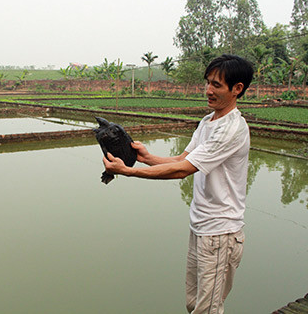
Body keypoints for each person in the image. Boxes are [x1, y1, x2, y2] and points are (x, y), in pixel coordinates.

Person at [103, 54, 254, 314]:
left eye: (216, 85)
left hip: (219, 232)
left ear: (237, 89)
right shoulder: (208, 122)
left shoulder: (232, 129)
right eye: (207, 82)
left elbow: (182, 170)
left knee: (207, 310)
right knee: (194, 304)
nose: (208, 90)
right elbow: (183, 159)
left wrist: (129, 171)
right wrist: (146, 157)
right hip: (200, 227)